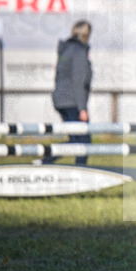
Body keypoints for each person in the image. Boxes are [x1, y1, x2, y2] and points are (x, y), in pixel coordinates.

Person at [44, 20, 93, 165]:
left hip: (61, 99)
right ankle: (81, 172)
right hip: (72, 101)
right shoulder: (78, 51)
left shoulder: (66, 49)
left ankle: (45, 158)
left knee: (75, 140)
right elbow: (78, 81)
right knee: (83, 141)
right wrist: (82, 108)